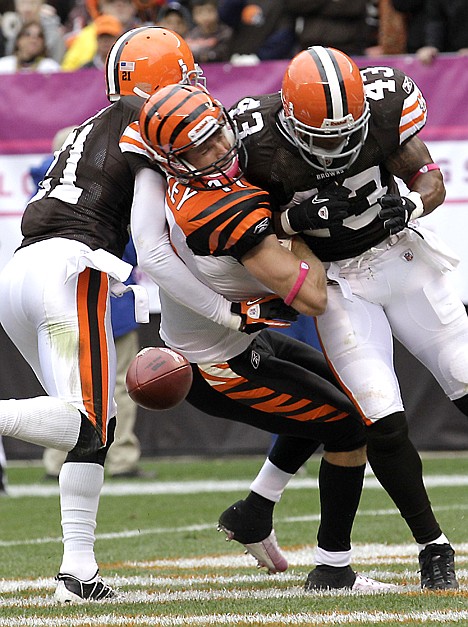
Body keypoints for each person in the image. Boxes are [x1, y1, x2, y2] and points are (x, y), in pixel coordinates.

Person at [0, 25, 241, 604]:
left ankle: (77, 573)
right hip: (71, 266)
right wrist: (225, 302)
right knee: (86, 422)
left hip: (20, 271)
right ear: (158, 82)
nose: (194, 91)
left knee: (91, 430)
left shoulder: (91, 124)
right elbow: (155, 239)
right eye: (184, 78)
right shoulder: (147, 129)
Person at [130, 82, 396, 593]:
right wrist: (295, 227)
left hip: (237, 343)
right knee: (346, 426)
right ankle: (333, 569)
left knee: (335, 403)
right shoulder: (221, 207)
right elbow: (312, 297)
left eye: (215, 137)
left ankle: (254, 511)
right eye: (198, 149)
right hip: (215, 365)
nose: (217, 152)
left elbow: (150, 238)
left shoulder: (164, 178)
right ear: (175, 161)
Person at [220, 45, 461, 590]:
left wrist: (414, 205)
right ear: (290, 119)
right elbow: (246, 225)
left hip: (402, 260)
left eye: (345, 132)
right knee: (382, 417)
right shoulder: (257, 141)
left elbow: (429, 179)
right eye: (322, 136)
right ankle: (433, 547)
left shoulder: (382, 105)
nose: (336, 146)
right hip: (340, 284)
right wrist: (289, 217)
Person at [42, 237, 149, 480]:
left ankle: (58, 458)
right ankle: (121, 458)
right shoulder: (121, 198)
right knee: (120, 384)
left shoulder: (45, 199)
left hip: (67, 304)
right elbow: (135, 252)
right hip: (109, 303)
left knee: (65, 384)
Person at [217, 0, 296, 64]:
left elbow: (285, 33)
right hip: (238, 59)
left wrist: (259, 57)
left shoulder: (282, 4)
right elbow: (225, 15)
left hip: (270, 66)